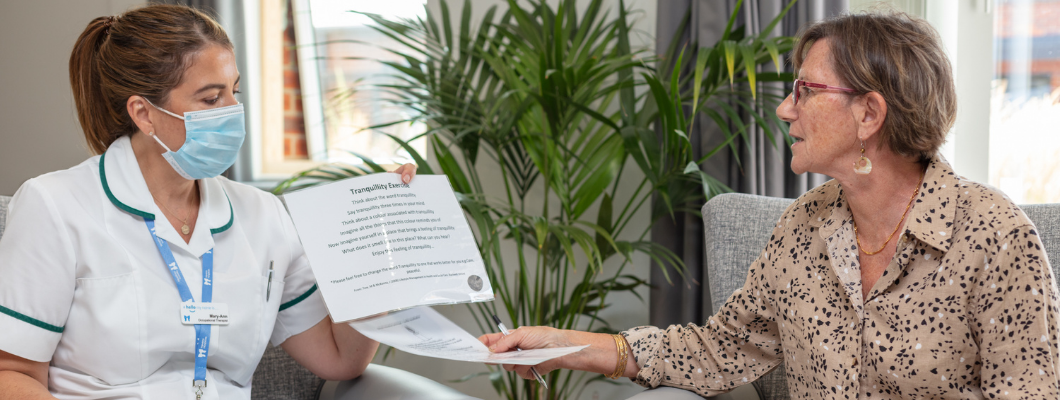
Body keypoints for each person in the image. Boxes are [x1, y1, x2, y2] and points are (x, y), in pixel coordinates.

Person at [480, 11, 1060, 399]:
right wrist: (565, 344)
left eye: (806, 91)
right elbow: (717, 350)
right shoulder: (803, 228)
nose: (785, 109)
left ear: (870, 114)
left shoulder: (995, 237)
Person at [0, 5, 416, 399]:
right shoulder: (54, 206)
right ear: (144, 114)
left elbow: (337, 358)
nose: (234, 112)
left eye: (234, 92)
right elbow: (11, 374)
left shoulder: (263, 215)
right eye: (211, 99)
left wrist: (377, 237)